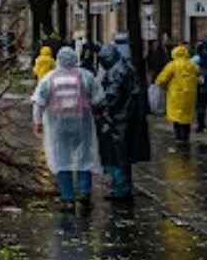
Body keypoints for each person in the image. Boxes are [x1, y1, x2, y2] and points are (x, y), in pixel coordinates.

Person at [33, 47, 104, 213]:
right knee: (84, 158)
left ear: (58, 59)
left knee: (62, 159)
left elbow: (38, 102)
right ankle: (84, 193)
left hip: (58, 126)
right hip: (82, 125)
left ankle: (67, 198)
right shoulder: (86, 76)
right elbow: (99, 98)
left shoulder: (49, 78)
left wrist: (37, 122)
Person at [96, 44, 150, 203]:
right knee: (123, 156)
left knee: (118, 155)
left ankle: (121, 189)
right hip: (128, 118)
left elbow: (112, 96)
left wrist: (100, 106)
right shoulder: (127, 67)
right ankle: (123, 187)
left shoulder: (116, 72)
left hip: (119, 120)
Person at [155, 45, 200, 148]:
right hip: (189, 95)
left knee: (177, 117)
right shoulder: (192, 65)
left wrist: (160, 84)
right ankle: (185, 137)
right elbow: (198, 73)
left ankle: (179, 137)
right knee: (186, 117)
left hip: (176, 95)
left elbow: (162, 78)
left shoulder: (172, 65)